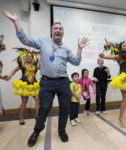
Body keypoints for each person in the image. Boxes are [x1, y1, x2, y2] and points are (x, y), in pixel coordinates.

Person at [2, 9, 89, 145]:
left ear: (63, 33)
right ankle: (37, 131)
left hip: (63, 82)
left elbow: (76, 61)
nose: (58, 30)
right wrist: (16, 22)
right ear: (52, 31)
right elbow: (25, 39)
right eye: (55, 28)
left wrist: (79, 49)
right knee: (44, 107)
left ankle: (61, 131)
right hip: (47, 82)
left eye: (60, 28)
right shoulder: (43, 42)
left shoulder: (66, 48)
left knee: (65, 108)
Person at [99, 40, 126, 128]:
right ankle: (121, 118)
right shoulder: (120, 56)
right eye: (124, 45)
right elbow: (112, 56)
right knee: (125, 100)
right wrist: (104, 57)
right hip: (124, 80)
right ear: (120, 48)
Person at [3, 49, 40, 125]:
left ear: (32, 58)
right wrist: (10, 76)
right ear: (25, 57)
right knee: (24, 102)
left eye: (30, 56)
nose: (29, 57)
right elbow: (14, 70)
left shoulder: (35, 65)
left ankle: (37, 116)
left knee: (38, 100)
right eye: (27, 56)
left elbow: (40, 67)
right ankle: (21, 118)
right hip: (24, 85)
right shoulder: (22, 64)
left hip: (33, 84)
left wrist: (39, 58)